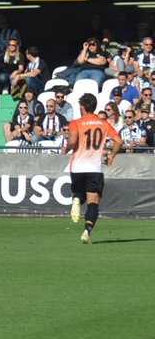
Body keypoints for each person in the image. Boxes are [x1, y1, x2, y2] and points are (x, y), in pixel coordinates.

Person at [62, 93, 122, 244]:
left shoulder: (76, 123)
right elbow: (119, 141)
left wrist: (66, 148)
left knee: (79, 193)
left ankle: (76, 199)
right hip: (94, 168)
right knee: (93, 202)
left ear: (82, 107)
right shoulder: (103, 123)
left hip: (77, 167)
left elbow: (73, 140)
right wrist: (112, 155)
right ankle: (87, 231)